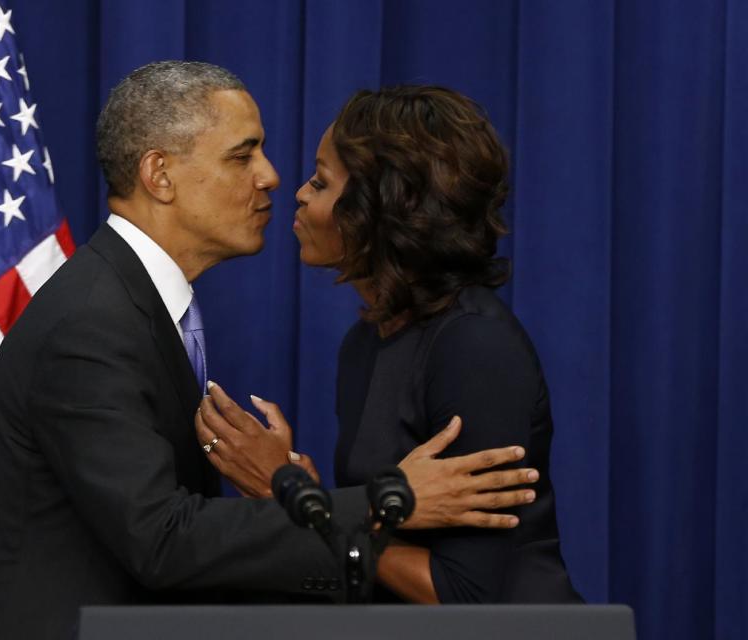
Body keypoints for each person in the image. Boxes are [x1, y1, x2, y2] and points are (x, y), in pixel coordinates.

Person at [0, 64, 541, 638]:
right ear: (159, 175)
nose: (270, 176)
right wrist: (383, 502)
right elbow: (161, 541)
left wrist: (295, 496)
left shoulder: (138, 305)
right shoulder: (91, 322)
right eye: (242, 156)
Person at [197, 85, 583, 604]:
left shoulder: (474, 348)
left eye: (321, 180)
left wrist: (298, 502)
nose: (299, 194)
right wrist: (317, 501)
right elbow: (383, 534)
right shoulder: (365, 342)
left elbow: (465, 596)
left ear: (381, 208)